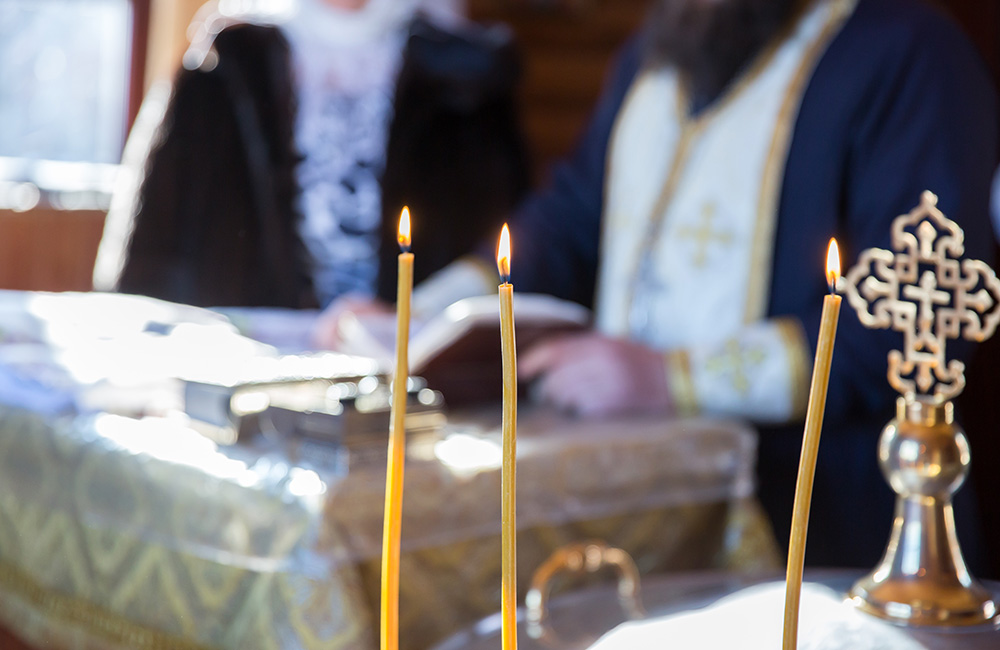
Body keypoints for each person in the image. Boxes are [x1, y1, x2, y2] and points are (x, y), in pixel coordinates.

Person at [321, 0, 999, 570]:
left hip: (824, 522)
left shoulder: (910, 52)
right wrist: (414, 316)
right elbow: (567, 224)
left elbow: (913, 321)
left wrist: (670, 379)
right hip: (636, 502)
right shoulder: (667, 45)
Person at [93, 0, 529, 309]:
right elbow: (149, 256)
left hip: (405, 377)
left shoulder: (466, 81)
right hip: (246, 371)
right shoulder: (223, 65)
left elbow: (505, 250)